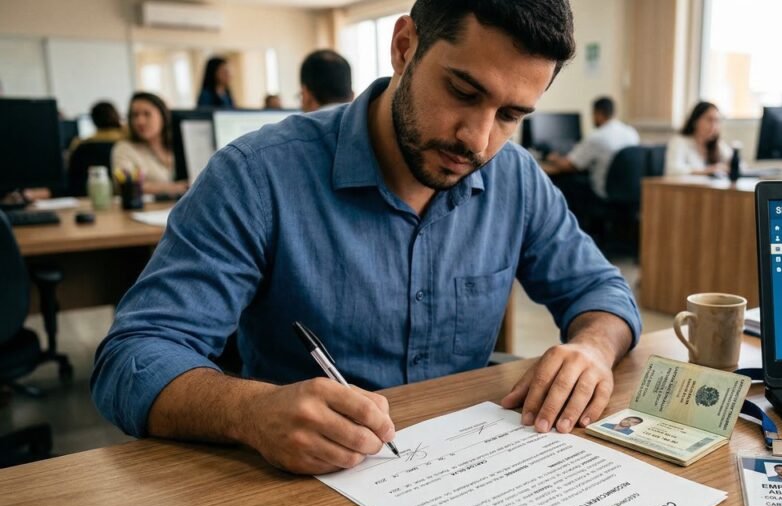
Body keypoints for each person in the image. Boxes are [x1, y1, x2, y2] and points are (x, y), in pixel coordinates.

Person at [92, 0, 640, 476]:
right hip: (301, 491)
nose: (478, 139)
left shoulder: (513, 177)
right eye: (462, 91)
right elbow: (134, 357)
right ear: (405, 46)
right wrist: (250, 412)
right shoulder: (256, 176)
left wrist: (591, 349)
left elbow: (601, 291)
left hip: (469, 478)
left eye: (511, 115)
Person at [542, 96, 640, 200]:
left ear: (597, 113)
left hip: (602, 193)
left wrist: (553, 158)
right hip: (628, 193)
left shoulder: (597, 137)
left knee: (563, 182)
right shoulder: (631, 132)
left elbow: (570, 165)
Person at [111, 92, 188, 195]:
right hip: (147, 209)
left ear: (163, 116)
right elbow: (126, 185)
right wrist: (174, 188)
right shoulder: (125, 148)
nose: (140, 121)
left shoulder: (178, 145)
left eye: (147, 114)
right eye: (135, 115)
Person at [665, 101, 733, 176]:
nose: (714, 126)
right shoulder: (679, 142)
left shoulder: (718, 144)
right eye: (709, 120)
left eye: (717, 121)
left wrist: (728, 167)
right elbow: (673, 170)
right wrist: (708, 170)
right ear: (695, 121)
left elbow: (738, 164)